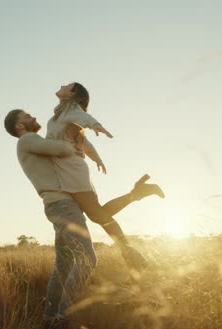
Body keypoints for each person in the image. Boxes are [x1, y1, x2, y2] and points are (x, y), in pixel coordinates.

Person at [4, 109, 164, 329]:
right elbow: (58, 147)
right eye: (26, 116)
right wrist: (74, 148)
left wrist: (81, 149)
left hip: (61, 205)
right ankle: (62, 317)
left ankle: (50, 320)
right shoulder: (27, 140)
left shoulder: (33, 142)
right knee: (88, 259)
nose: (32, 117)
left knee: (63, 265)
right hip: (62, 206)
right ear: (19, 126)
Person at [46, 82, 165, 264]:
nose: (62, 85)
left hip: (73, 172)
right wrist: (97, 159)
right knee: (97, 213)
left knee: (97, 215)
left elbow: (85, 118)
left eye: (67, 85)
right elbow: (84, 142)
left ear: (71, 94)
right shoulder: (64, 113)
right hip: (69, 170)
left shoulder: (72, 109)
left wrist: (97, 126)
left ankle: (129, 253)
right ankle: (138, 194)